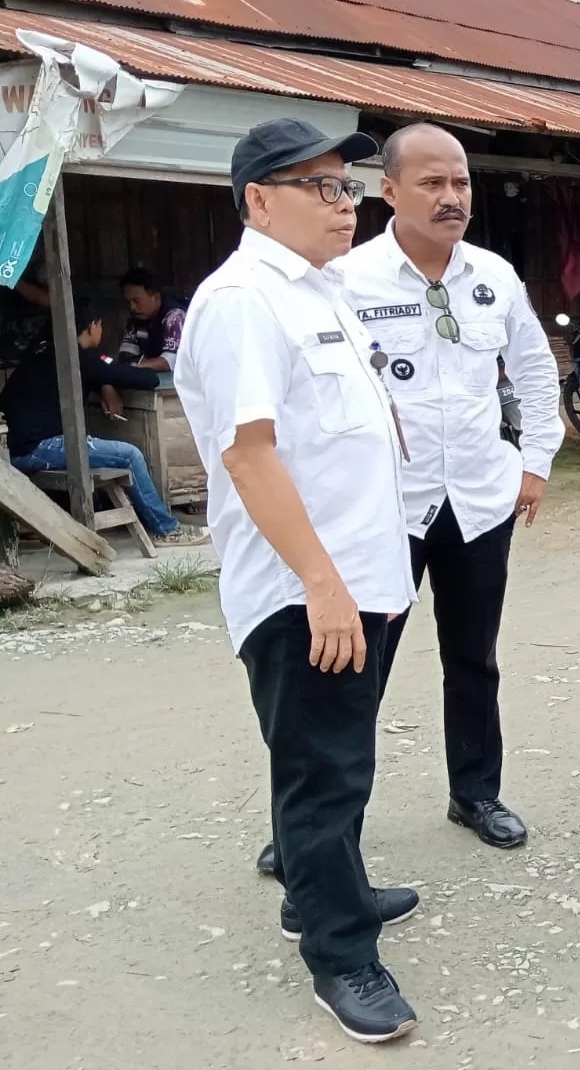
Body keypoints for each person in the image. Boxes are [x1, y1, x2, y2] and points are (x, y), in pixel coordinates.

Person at [176, 118, 420, 1043]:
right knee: (322, 771)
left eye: (347, 186)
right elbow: (249, 455)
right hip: (304, 589)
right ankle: (340, 954)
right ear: (258, 200)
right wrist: (320, 582)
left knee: (337, 756)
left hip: (360, 576)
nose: (344, 202)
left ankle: (325, 891)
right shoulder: (243, 300)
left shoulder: (316, 291)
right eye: (320, 186)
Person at [312, 122, 561, 860]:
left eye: (460, 183)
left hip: (480, 501)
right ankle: (319, 824)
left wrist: (536, 460)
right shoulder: (346, 280)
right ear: (388, 191)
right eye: (432, 183)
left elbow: (536, 370)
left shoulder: (494, 276)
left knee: (474, 658)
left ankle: (476, 792)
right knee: (358, 670)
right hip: (385, 509)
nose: (452, 197)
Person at [2, 313, 206, 546]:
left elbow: (99, 367)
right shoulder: (77, 355)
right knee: (130, 455)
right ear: (92, 326)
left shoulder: (41, 349)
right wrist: (108, 377)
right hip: (35, 448)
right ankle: (167, 530)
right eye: (100, 324)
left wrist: (104, 382)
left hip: (9, 448)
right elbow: (147, 380)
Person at [115, 268, 183, 377]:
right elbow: (125, 356)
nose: (132, 307)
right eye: (128, 302)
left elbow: (169, 362)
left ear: (155, 297)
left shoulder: (174, 316)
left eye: (136, 301)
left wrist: (136, 366)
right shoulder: (136, 319)